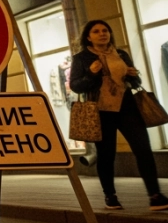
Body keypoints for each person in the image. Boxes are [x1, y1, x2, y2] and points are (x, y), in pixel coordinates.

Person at [69, 19, 168, 212]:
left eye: (105, 30)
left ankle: (155, 195)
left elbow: (135, 81)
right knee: (106, 155)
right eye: (96, 31)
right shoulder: (82, 58)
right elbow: (75, 85)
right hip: (101, 110)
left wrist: (133, 75)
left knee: (143, 149)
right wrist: (91, 74)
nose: (102, 34)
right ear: (88, 37)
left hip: (127, 107)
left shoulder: (121, 54)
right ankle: (110, 196)